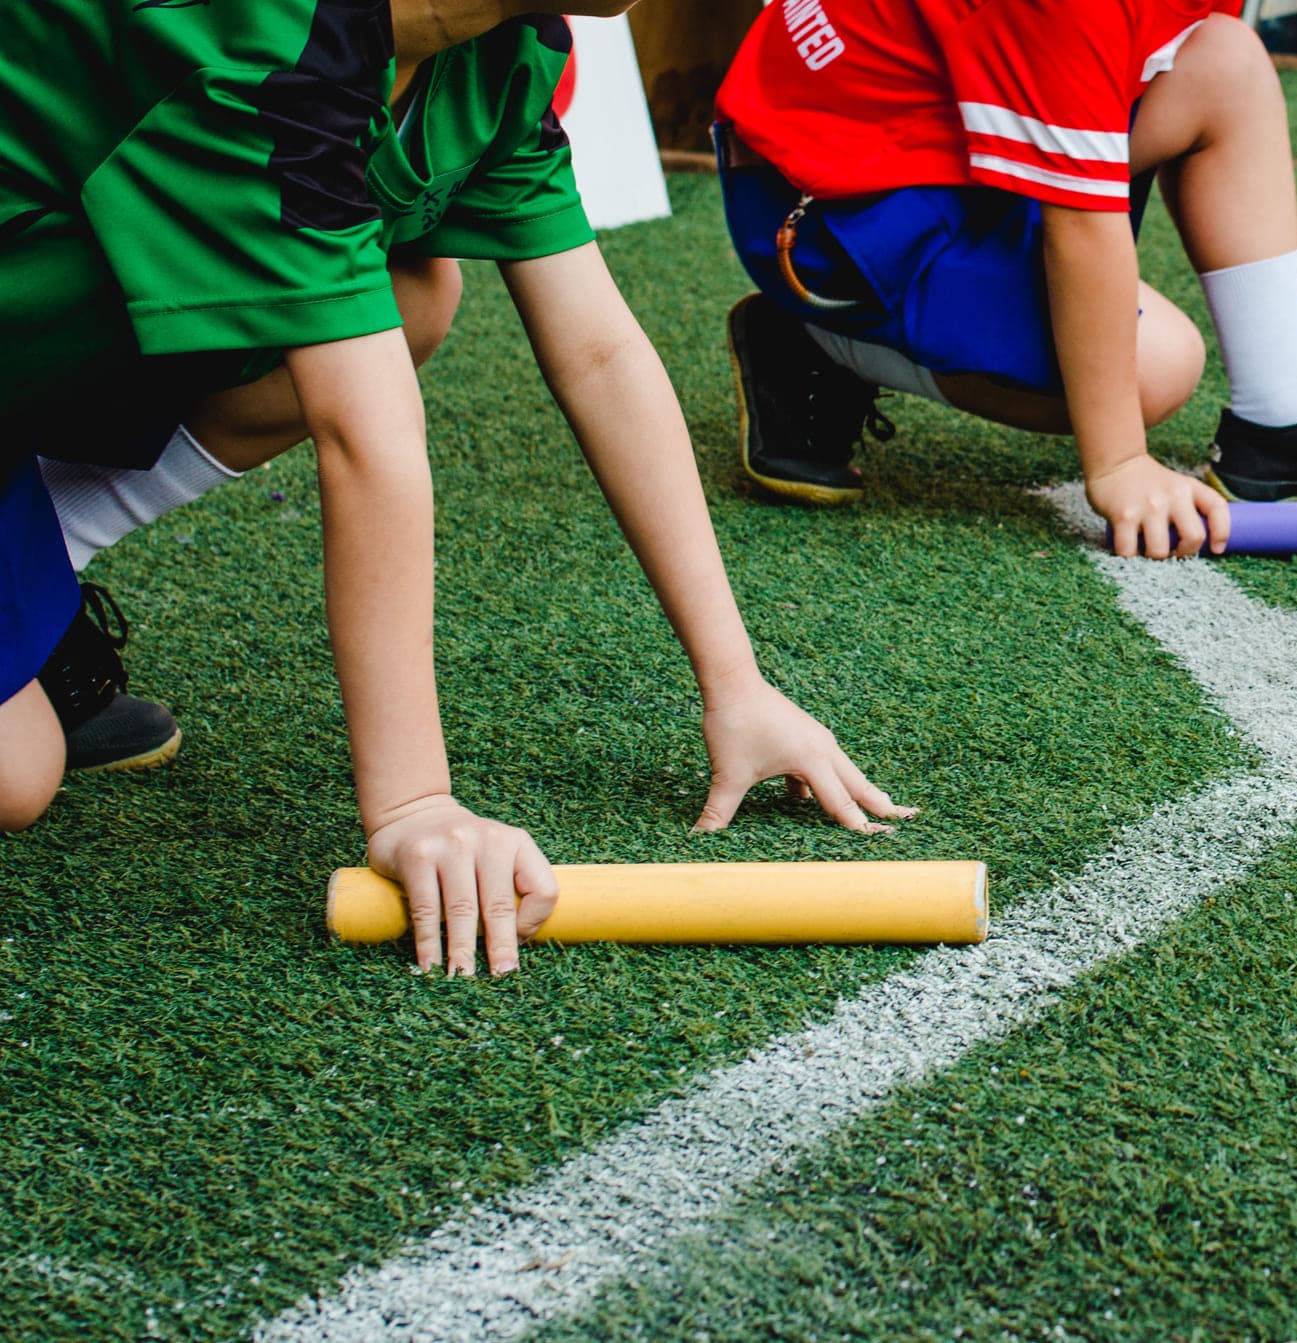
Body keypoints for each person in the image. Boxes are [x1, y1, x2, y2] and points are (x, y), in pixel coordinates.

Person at [1, 0, 910, 977]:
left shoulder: (507, 45)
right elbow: (368, 433)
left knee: (412, 293)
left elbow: (600, 353)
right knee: (18, 779)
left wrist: (736, 684)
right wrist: (413, 804)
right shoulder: (259, 27)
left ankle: (47, 565)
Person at [712, 0, 1297, 559]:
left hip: (930, 152)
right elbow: (1077, 218)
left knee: (1223, 60)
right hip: (826, 211)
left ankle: (1282, 419)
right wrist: (1116, 462)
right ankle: (811, 339)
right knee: (1154, 368)